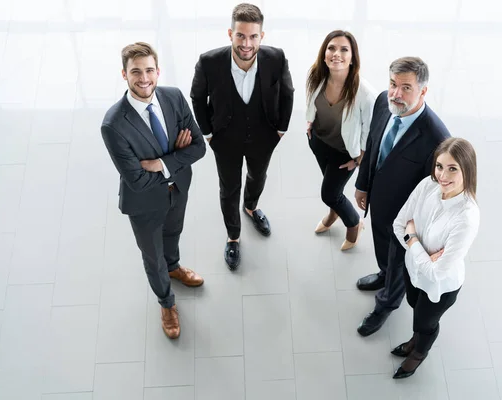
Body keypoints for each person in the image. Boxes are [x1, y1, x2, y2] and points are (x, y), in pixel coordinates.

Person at [101, 42, 206, 339]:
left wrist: (161, 163)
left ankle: (174, 268)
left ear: (158, 71)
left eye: (149, 70)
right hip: (144, 203)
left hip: (178, 188)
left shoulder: (173, 97)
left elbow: (198, 147)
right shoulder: (113, 124)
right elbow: (136, 179)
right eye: (136, 72)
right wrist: (176, 157)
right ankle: (166, 302)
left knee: (173, 233)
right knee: (152, 257)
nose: (143, 78)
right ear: (124, 75)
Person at [191, 3, 294, 270]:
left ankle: (250, 207)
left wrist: (281, 129)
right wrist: (208, 133)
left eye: (253, 36)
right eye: (240, 35)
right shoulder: (209, 62)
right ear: (230, 33)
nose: (246, 43)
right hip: (225, 138)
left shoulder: (277, 58)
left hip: (264, 135)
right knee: (228, 188)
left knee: (258, 176)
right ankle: (233, 236)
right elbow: (198, 97)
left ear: (262, 36)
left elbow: (287, 93)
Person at [354, 57, 451, 337]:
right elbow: (373, 145)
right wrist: (362, 186)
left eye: (406, 88)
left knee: (398, 260)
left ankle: (387, 303)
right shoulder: (383, 102)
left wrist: (415, 228)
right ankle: (384, 274)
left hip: (407, 217)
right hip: (378, 200)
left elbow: (435, 191)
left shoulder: (436, 138)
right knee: (382, 248)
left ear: (423, 91)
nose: (396, 94)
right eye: (393, 84)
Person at [390, 137, 480, 378]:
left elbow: (437, 272)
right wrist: (420, 250)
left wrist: (413, 239)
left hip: (440, 287)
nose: (442, 175)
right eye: (440, 166)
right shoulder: (428, 186)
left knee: (425, 323)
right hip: (413, 271)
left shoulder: (466, 218)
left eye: (453, 169)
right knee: (412, 304)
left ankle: (418, 353)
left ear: (467, 171)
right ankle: (414, 341)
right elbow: (399, 225)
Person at [305, 30, 374, 250]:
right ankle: (334, 212)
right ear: (324, 54)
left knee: (329, 193)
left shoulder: (365, 94)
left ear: (353, 58)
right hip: (318, 142)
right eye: (331, 48)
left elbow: (370, 131)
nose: (337, 54)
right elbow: (312, 101)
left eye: (344, 49)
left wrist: (358, 159)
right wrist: (310, 121)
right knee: (332, 186)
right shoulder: (316, 76)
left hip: (345, 154)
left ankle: (354, 223)